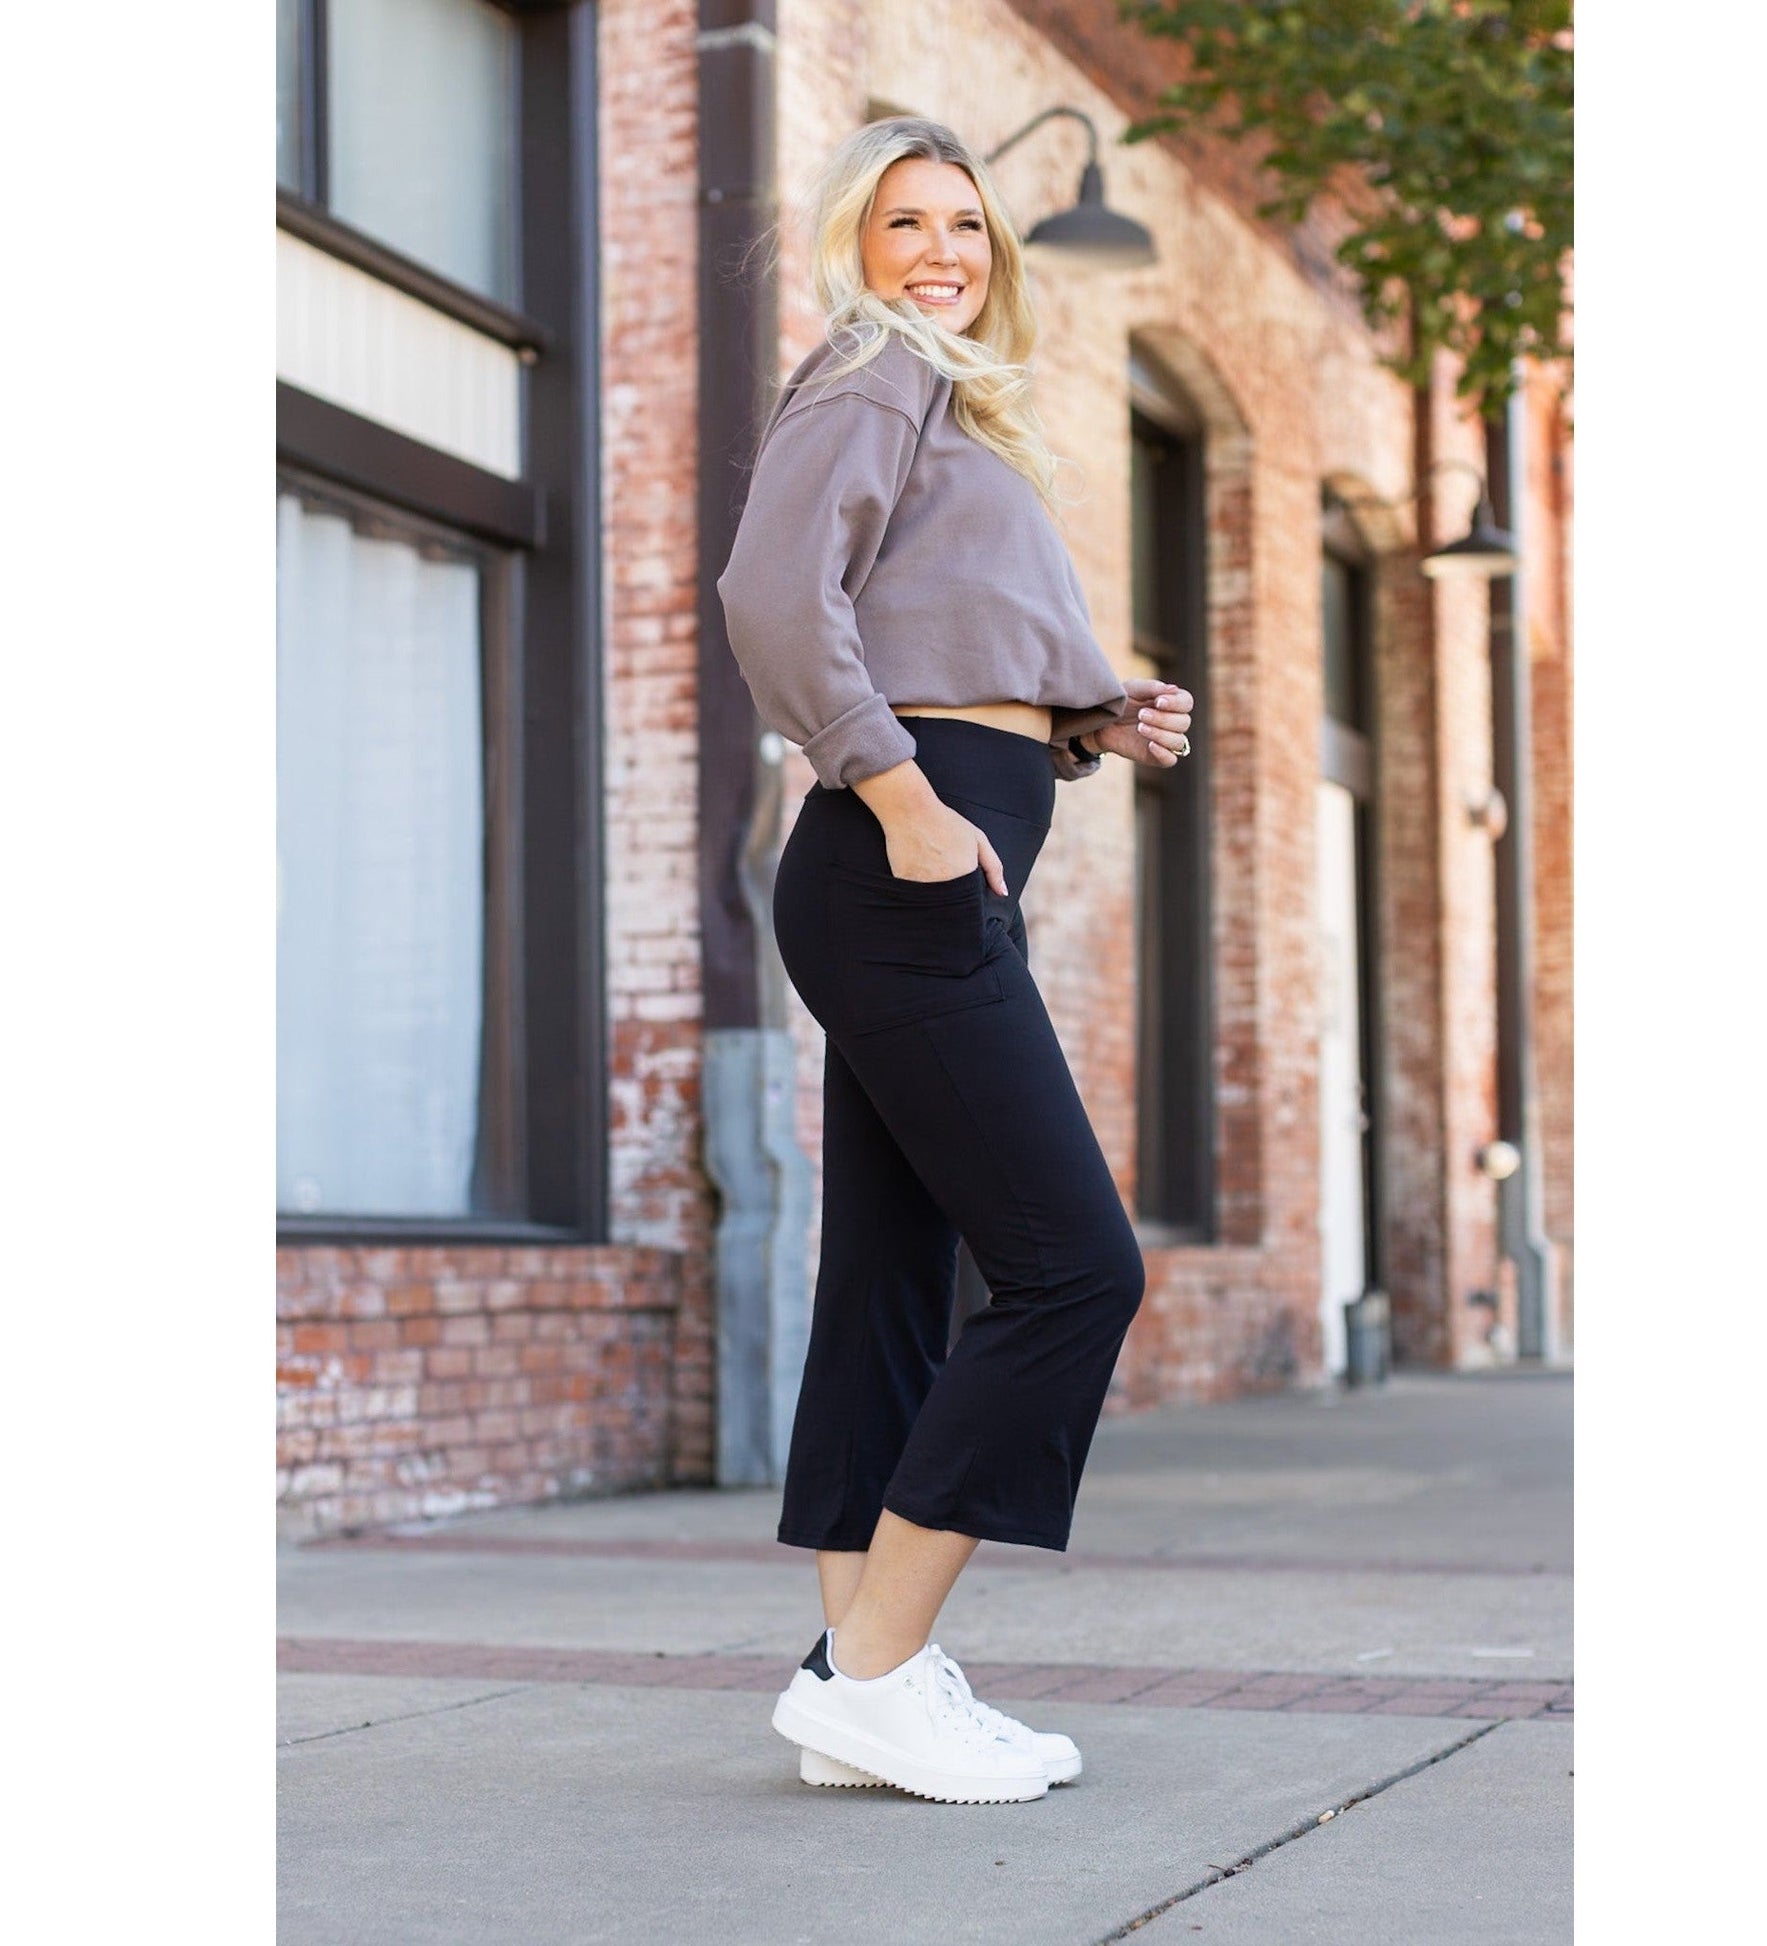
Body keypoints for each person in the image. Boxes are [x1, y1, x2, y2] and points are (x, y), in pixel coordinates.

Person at [716, 115, 1197, 1806]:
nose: (940, 253)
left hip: (922, 855)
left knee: (892, 1277)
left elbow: (931, 624)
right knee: (1075, 1267)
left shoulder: (949, 401)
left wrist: (1083, 714)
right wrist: (904, 794)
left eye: (967, 227)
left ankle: (860, 1672)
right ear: (853, 243)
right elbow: (774, 596)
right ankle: (874, 1669)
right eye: (904, 223)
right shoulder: (876, 368)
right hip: (897, 861)